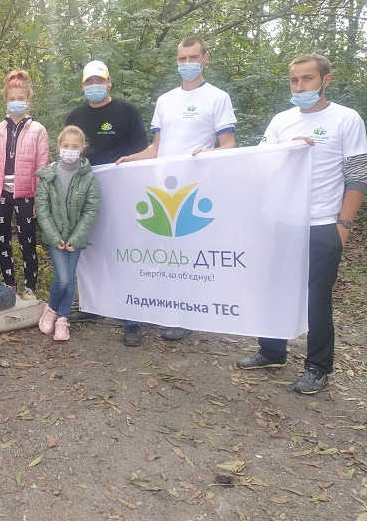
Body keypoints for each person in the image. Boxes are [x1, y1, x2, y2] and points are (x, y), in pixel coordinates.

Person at [236, 53, 367, 395]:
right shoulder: (282, 121)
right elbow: (261, 165)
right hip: (283, 222)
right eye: (294, 80)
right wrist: (286, 149)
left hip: (324, 223)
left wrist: (344, 225)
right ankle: (272, 350)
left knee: (316, 298)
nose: (299, 86)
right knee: (275, 288)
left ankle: (317, 368)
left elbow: (357, 177)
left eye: (307, 79)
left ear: (326, 80)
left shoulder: (346, 119)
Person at [116, 35, 237, 341]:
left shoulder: (218, 98)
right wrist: (131, 158)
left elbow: (229, 146)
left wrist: (211, 155)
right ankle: (161, 308)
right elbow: (156, 148)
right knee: (163, 255)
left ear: (205, 59)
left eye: (192, 58)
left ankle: (186, 315)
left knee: (189, 257)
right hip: (162, 191)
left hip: (197, 191)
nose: (186, 64)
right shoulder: (165, 101)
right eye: (181, 59)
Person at [66, 60, 148, 346]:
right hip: (85, 195)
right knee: (90, 253)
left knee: (125, 251)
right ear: (83, 85)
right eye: (89, 82)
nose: (94, 86)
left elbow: (144, 153)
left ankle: (131, 317)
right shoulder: (75, 116)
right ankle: (93, 307)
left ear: (109, 82)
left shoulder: (127, 112)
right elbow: (69, 154)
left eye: (99, 81)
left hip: (123, 194)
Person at [0, 70, 49, 299]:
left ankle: (30, 286)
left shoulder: (38, 130)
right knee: (2, 239)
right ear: (6, 100)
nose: (16, 102)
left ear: (28, 100)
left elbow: (43, 167)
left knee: (27, 239)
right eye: (12, 99)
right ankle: (9, 283)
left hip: (26, 194)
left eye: (21, 99)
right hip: (0, 193)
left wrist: (40, 198)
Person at [35, 125, 100, 341]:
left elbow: (91, 209)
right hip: (55, 238)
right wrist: (55, 237)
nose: (70, 150)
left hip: (76, 239)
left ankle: (62, 319)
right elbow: (42, 210)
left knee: (70, 278)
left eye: (75, 146)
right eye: (66, 145)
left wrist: (76, 238)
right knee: (63, 279)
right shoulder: (48, 175)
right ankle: (52, 308)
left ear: (82, 148)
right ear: (58, 146)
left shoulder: (88, 177)